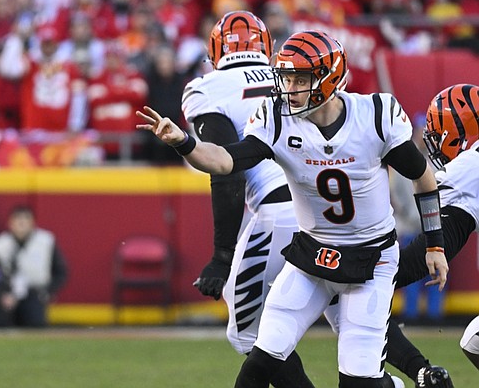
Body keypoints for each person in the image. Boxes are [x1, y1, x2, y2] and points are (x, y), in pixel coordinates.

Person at [137, 30, 449, 387]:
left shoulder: (373, 116)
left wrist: (435, 243)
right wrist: (185, 142)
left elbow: (423, 178)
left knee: (358, 382)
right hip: (311, 256)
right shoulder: (277, 117)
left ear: (329, 78)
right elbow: (226, 161)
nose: (290, 88)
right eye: (286, 77)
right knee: (259, 364)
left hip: (371, 260)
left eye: (300, 79)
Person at [183, 10, 313, 387]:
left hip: (279, 212)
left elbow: (227, 170)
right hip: (328, 210)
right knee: (354, 325)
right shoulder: (294, 77)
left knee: (247, 333)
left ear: (214, 51)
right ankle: (415, 374)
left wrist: (222, 256)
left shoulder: (208, 88)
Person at [384, 83, 479, 380]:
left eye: (439, 136)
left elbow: (443, 229)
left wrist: (372, 271)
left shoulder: (469, 165)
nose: (434, 145)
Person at [0, 205, 68, 328]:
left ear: (32, 223)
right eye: (18, 219)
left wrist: (46, 292)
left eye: (25, 219)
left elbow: (61, 271)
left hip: (34, 293)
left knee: (36, 323)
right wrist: (2, 294)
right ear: (10, 223)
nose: (22, 223)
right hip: (6, 293)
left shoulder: (45, 241)